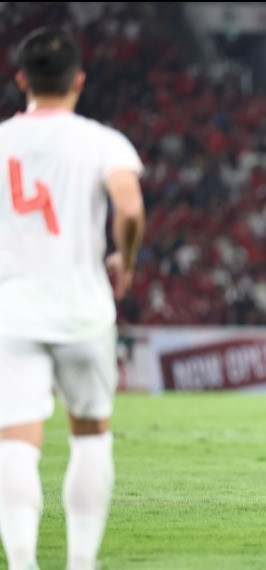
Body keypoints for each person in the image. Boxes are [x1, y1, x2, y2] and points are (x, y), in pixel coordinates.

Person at [0, 27, 145, 570]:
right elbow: (129, 210)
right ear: (79, 81)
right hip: (83, 307)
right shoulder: (101, 140)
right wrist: (124, 260)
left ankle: (21, 562)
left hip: (13, 310)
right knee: (90, 435)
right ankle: (81, 562)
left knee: (16, 440)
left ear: (21, 80)